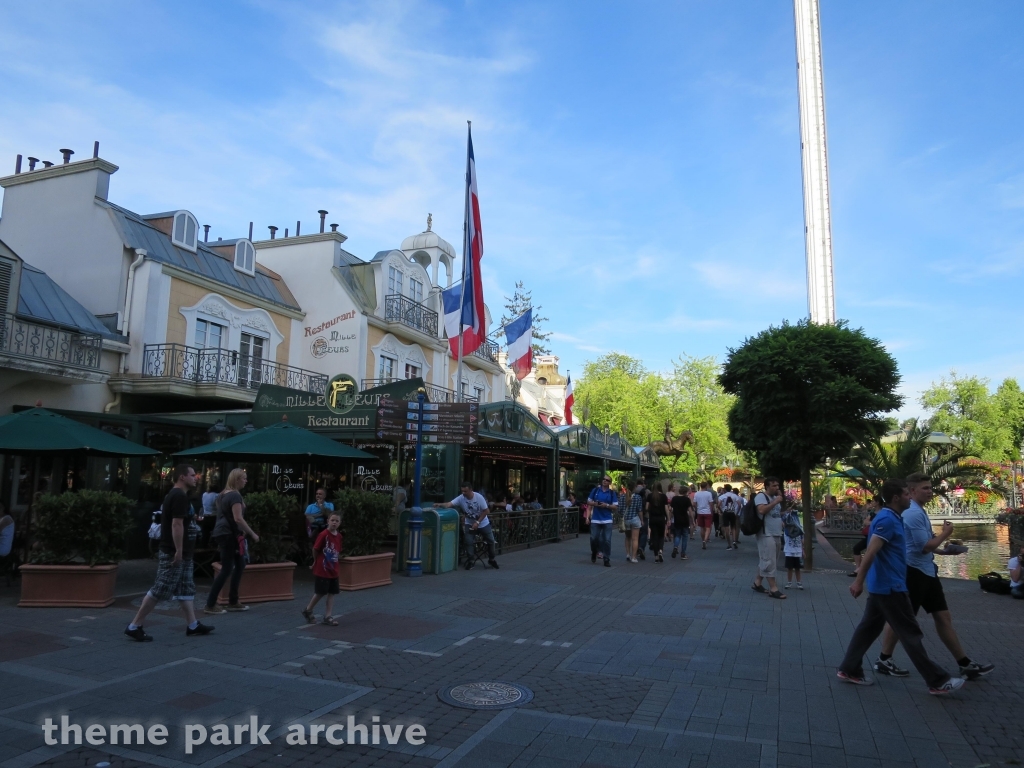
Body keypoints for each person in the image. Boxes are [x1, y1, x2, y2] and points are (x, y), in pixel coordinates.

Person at [837, 478, 965, 695]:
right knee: (910, 633)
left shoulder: (893, 517)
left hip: (884, 586)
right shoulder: (887, 520)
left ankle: (849, 669)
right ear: (896, 498)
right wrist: (859, 580)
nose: (910, 497)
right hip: (890, 587)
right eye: (907, 494)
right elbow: (872, 551)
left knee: (868, 629)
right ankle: (937, 680)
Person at [872, 473, 994, 680]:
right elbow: (925, 546)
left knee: (942, 616)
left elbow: (924, 546)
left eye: (930, 487)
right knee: (901, 620)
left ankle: (964, 663)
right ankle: (885, 658)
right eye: (925, 488)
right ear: (911, 491)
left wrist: (946, 551)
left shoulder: (918, 511)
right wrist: (946, 533)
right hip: (914, 572)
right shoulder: (913, 514)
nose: (930, 491)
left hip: (926, 571)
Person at [125, 465, 214, 641]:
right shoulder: (179, 495)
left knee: (185, 587)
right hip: (174, 551)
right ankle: (134, 625)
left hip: (184, 552)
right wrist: (178, 551)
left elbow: (180, 520)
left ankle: (193, 624)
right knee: (161, 587)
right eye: (191, 475)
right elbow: (176, 524)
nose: (195, 478)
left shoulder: (178, 496)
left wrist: (193, 519)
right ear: (182, 477)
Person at [204, 468, 260, 614]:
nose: (246, 481)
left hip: (224, 533)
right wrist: (252, 534)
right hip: (229, 534)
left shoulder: (222, 494)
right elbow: (238, 518)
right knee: (228, 568)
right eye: (244, 478)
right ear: (236, 480)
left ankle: (233, 601)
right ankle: (210, 604)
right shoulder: (234, 495)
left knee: (240, 564)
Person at [438, 482, 498, 570]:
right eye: (462, 491)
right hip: (469, 523)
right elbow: (450, 504)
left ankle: (491, 559)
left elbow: (486, 511)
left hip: (483, 523)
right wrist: (440, 504)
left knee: (491, 541)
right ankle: (471, 560)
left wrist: (477, 522)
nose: (463, 493)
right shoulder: (461, 498)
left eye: (465, 491)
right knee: (468, 541)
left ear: (471, 490)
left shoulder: (479, 497)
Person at [302, 512, 342, 625]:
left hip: (333, 568)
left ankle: (328, 616)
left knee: (332, 592)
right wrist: (315, 561)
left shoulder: (339, 536)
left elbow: (338, 551)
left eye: (337, 521)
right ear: (328, 521)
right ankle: (308, 609)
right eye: (332, 520)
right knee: (320, 592)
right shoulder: (323, 535)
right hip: (323, 568)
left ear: (340, 523)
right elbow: (315, 549)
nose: (334, 522)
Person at [751, 477, 786, 599]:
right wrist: (776, 501)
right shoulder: (761, 497)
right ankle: (773, 588)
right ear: (767, 486)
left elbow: (773, 513)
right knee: (769, 560)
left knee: (769, 559)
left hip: (775, 532)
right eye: (774, 486)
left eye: (777, 485)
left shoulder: (773, 498)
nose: (777, 488)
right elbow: (761, 510)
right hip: (766, 533)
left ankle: (757, 582)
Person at [586, 475, 618, 567]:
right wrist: (595, 503)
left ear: (609, 483)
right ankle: (594, 551)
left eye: (607, 480)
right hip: (596, 519)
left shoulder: (612, 493)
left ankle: (606, 558)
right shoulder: (595, 490)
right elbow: (588, 502)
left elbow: (615, 506)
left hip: (607, 519)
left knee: (607, 540)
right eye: (603, 479)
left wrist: (606, 505)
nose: (605, 481)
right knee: (593, 538)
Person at [646, 483, 669, 562]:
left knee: (654, 536)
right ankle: (660, 550)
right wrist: (668, 518)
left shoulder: (650, 496)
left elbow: (646, 507)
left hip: (653, 518)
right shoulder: (663, 496)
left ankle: (656, 556)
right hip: (661, 518)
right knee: (661, 536)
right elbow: (666, 508)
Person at [621, 480, 643, 562]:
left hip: (626, 519)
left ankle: (627, 554)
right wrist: (642, 520)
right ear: (635, 487)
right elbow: (640, 510)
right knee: (635, 539)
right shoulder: (638, 497)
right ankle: (634, 557)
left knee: (627, 537)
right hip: (635, 519)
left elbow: (620, 509)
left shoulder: (622, 496)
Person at [783, 508, 804, 589]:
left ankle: (798, 582)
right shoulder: (787, 531)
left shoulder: (799, 531)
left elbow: (802, 539)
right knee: (790, 568)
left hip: (798, 551)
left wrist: (803, 550)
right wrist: (787, 513)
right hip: (789, 550)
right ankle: (789, 582)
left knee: (798, 568)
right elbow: (785, 522)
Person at [670, 488, 693, 560]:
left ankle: (675, 547)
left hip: (677, 519)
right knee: (685, 537)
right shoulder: (687, 499)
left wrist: (670, 517)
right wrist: (693, 520)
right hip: (685, 520)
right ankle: (683, 553)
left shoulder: (674, 498)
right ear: (685, 492)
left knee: (677, 535)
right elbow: (690, 510)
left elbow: (670, 509)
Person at [717, 484, 740, 550]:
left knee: (727, 528)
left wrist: (721, 511)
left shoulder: (722, 496)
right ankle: (734, 541)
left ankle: (729, 544)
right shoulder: (735, 496)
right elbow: (739, 504)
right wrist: (737, 512)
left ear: (725, 489)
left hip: (726, 512)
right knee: (733, 527)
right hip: (732, 512)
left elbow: (718, 505)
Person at [693, 481, 715, 550]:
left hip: (700, 512)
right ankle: (705, 540)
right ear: (706, 486)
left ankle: (703, 540)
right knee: (708, 528)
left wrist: (697, 508)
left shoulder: (697, 494)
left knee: (702, 528)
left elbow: (694, 503)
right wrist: (711, 510)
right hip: (707, 512)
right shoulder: (708, 494)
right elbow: (711, 503)